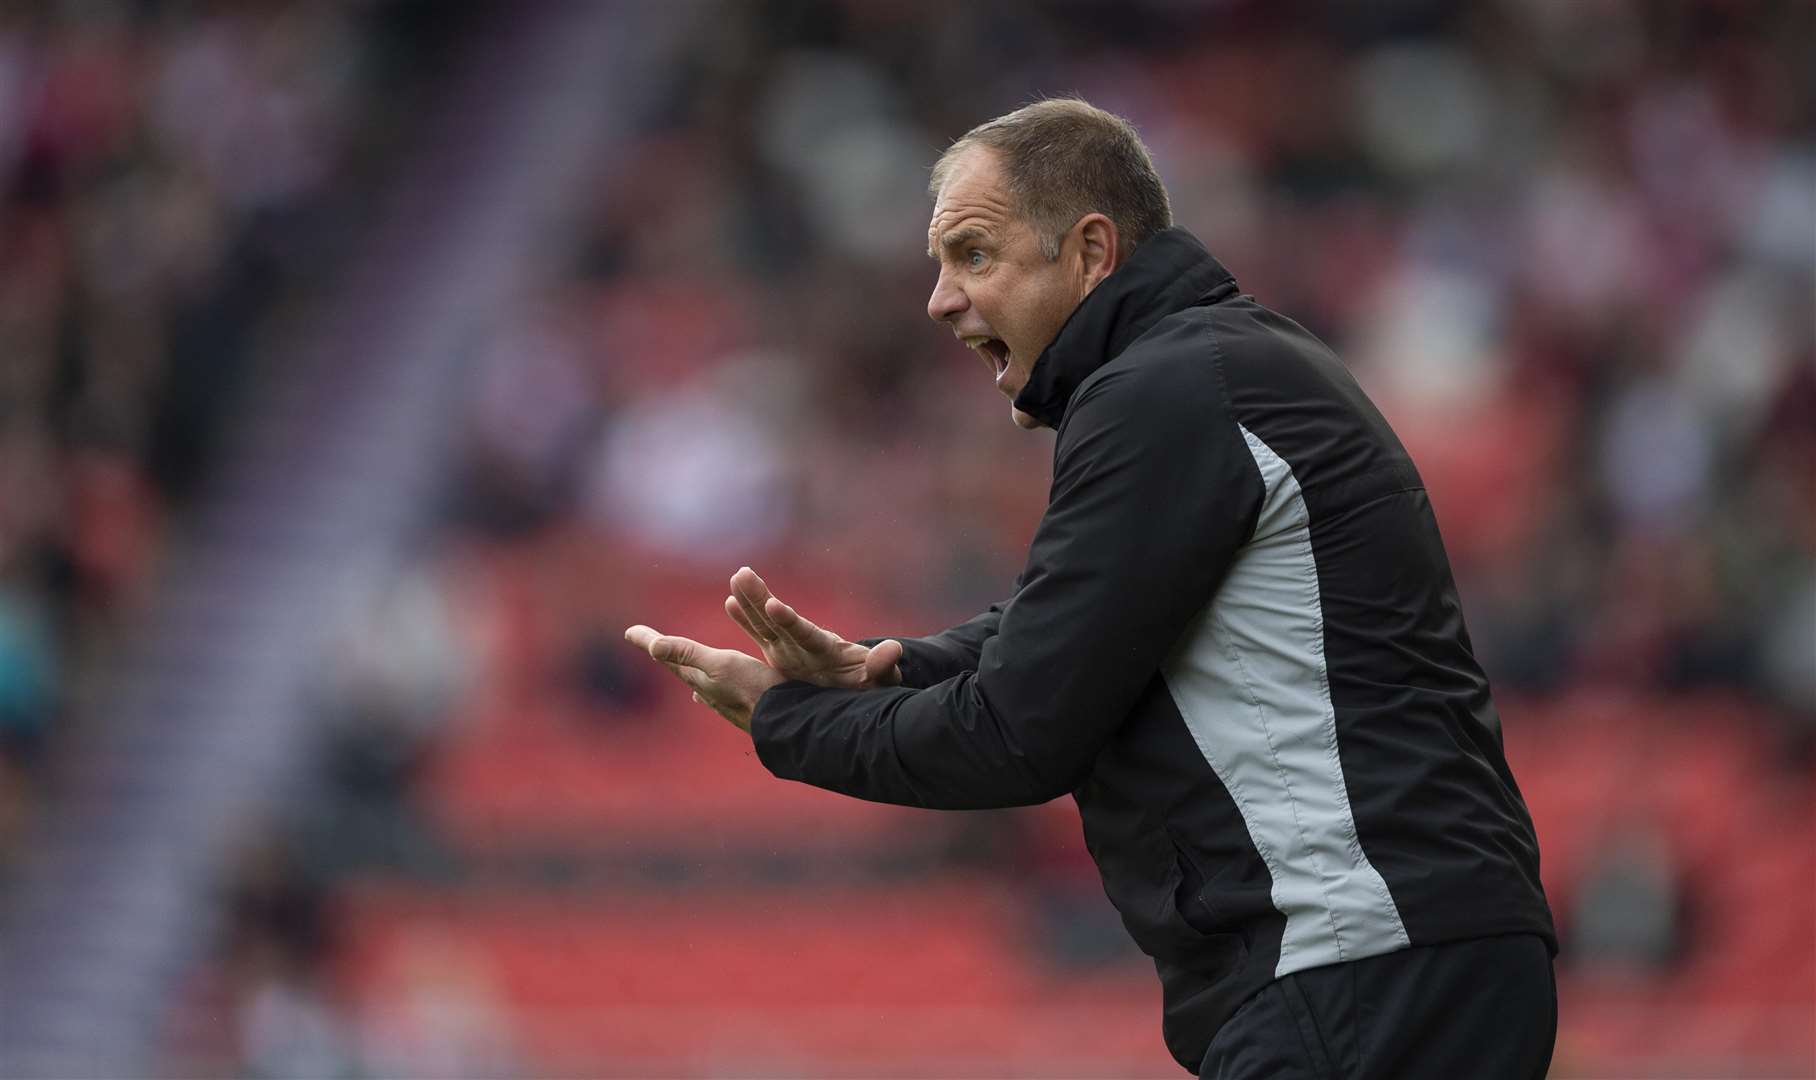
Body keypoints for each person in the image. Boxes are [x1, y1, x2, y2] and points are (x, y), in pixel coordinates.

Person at [624, 98, 1557, 1079]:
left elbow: (1018, 731)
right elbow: (1085, 621)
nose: (939, 300)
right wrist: (889, 671)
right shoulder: (1219, 367)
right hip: (1397, 959)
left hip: (1358, 967)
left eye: (973, 255)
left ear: (1091, 251)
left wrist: (786, 720)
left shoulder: (1165, 390)